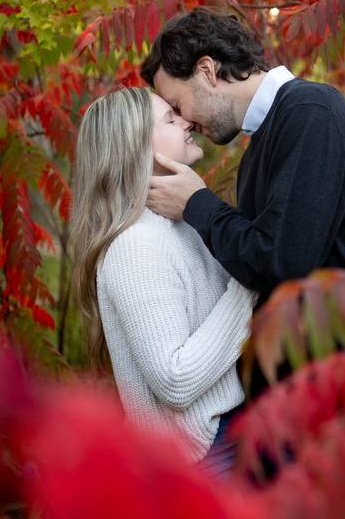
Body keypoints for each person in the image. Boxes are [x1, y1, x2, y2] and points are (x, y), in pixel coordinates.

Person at [141, 8, 345, 386]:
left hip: (342, 396)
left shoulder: (310, 113)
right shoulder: (264, 142)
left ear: (208, 70)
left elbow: (282, 261)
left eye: (178, 106)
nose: (185, 122)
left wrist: (197, 204)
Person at [69, 86, 255, 476]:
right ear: (136, 151)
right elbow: (174, 379)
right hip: (201, 456)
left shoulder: (178, 222)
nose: (187, 121)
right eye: (170, 120)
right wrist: (252, 278)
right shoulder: (134, 245)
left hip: (229, 433)